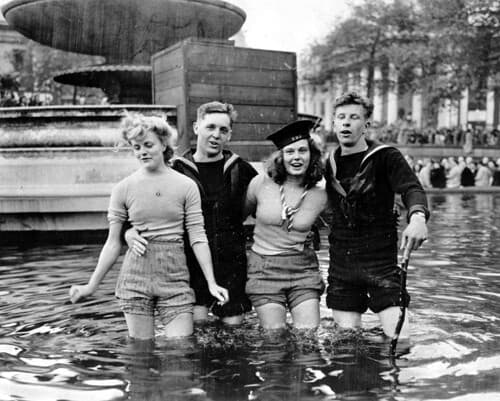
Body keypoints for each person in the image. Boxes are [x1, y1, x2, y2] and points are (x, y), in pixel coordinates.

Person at [69, 113, 228, 339]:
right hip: (135, 278)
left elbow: (198, 237)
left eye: (148, 145)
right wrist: (91, 286)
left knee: (180, 351)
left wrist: (211, 283)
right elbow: (113, 242)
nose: (142, 151)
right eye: (136, 147)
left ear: (164, 143)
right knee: (141, 354)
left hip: (175, 278)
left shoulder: (186, 185)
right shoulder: (123, 188)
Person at [125, 102, 257, 326]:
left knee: (234, 331)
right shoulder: (175, 170)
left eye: (223, 130)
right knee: (197, 331)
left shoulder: (240, 170)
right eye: (210, 127)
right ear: (197, 127)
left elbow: (268, 199)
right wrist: (128, 232)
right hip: (188, 265)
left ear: (230, 135)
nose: (216, 135)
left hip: (231, 265)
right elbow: (139, 207)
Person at [324, 92, 429, 339]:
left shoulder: (386, 156)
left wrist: (417, 218)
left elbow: (412, 189)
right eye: (341, 117)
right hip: (342, 262)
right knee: (346, 346)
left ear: (366, 125)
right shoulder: (328, 162)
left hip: (380, 261)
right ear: (334, 123)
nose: (346, 123)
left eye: (354, 117)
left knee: (400, 342)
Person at [244, 120, 327, 330]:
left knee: (307, 339)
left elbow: (345, 224)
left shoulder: (322, 193)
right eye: (290, 152)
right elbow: (236, 218)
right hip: (264, 269)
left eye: (302, 151)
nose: (296, 157)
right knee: (274, 340)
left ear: (312, 155)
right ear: (281, 157)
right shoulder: (260, 184)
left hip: (303, 269)